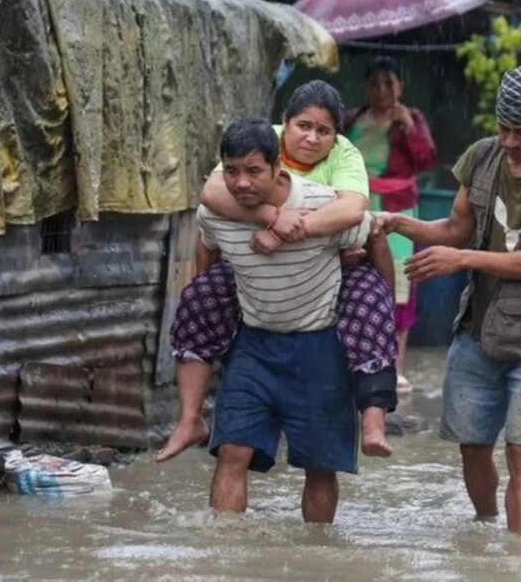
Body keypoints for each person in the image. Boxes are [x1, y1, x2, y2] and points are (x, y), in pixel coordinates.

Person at [376, 66, 521, 533]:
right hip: (477, 329)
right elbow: (457, 227)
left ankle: (519, 559)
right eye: (503, 128)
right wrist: (399, 223)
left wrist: (463, 259)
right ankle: (485, 533)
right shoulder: (483, 157)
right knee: (472, 445)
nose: (510, 140)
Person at [157, 81, 398, 463]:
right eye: (303, 126)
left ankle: (374, 420)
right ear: (283, 126)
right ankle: (189, 419)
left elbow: (354, 213)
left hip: (334, 257)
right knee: (200, 296)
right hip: (258, 266)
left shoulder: (345, 156)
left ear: (335, 137)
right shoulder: (257, 143)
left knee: (370, 301)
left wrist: (288, 233)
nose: (312, 137)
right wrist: (271, 217)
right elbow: (212, 195)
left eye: (324, 130)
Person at [201, 118, 376, 522]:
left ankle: (315, 556)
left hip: (319, 346)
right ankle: (222, 554)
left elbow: (367, 235)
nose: (241, 183)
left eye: (253, 171)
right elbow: (206, 254)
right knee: (231, 451)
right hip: (253, 343)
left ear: (278, 167)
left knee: (319, 465)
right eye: (231, 171)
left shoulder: (322, 204)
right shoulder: (214, 212)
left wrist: (376, 328)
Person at [344, 56, 437, 393]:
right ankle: (358, 358)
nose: (382, 90)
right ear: (366, 88)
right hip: (357, 204)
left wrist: (409, 127)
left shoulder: (411, 119)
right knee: (354, 270)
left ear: (400, 88)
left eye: (389, 83)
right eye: (375, 83)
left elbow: (426, 159)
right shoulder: (352, 118)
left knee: (399, 280)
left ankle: (395, 365)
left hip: (397, 210)